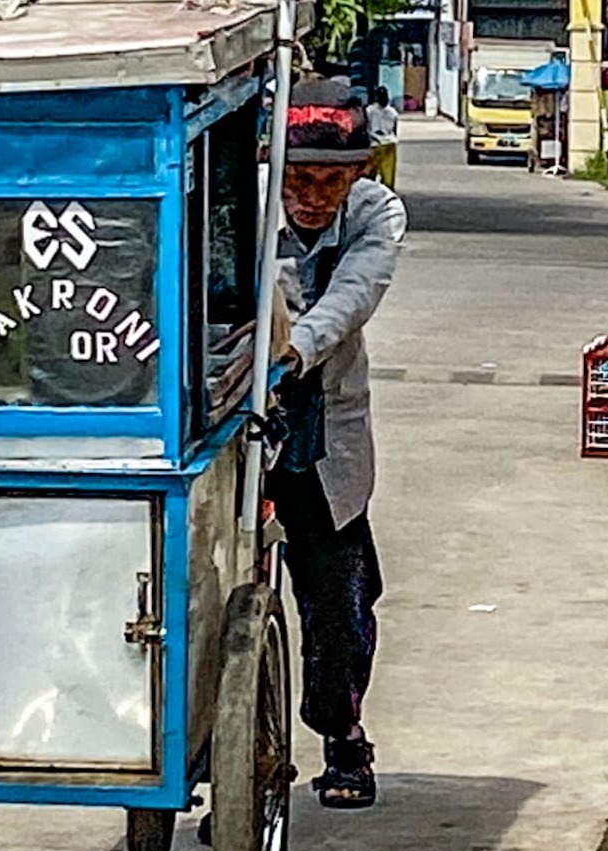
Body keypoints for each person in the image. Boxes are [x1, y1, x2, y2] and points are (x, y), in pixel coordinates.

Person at [270, 78, 406, 810]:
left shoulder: (378, 213)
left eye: (330, 181)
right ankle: (226, 753)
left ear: (358, 172)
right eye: (298, 180)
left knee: (338, 596)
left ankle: (342, 734)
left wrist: (292, 351)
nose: (312, 198)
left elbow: (354, 295)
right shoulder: (238, 203)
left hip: (326, 423)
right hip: (231, 411)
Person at [366, 86, 399, 190]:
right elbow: (395, 129)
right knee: (387, 175)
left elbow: (366, 126)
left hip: (375, 144)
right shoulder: (392, 112)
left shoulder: (369, 110)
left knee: (371, 174)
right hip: (387, 143)